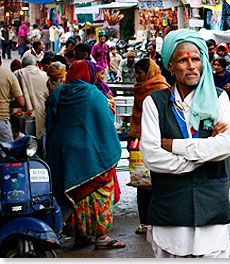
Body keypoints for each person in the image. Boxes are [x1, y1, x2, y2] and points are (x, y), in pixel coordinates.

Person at [139, 29, 230, 258]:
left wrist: (174, 146)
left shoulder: (218, 98)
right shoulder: (155, 103)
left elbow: (227, 145)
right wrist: (201, 158)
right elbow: (152, 156)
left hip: (211, 208)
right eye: (183, 60)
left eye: (196, 59)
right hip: (170, 211)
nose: (191, 65)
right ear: (171, 67)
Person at [46, 60, 125, 250]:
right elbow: (105, 122)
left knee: (74, 192)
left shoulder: (58, 92)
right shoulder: (94, 94)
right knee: (98, 193)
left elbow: (50, 122)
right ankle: (101, 237)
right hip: (92, 153)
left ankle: (80, 236)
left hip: (67, 153)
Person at [128, 58, 170, 235]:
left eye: (140, 73)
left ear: (149, 72)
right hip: (139, 139)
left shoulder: (161, 87)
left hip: (158, 140)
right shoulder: (140, 87)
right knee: (143, 183)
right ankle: (145, 221)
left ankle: (160, 220)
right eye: (136, 73)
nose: (137, 77)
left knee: (159, 182)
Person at [13, 54, 49, 141]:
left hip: (21, 117)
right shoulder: (45, 76)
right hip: (41, 115)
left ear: (22, 65)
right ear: (35, 64)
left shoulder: (16, 75)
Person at [0, 56, 25, 143]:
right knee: (8, 152)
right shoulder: (9, 75)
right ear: (1, 63)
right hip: (2, 119)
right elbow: (21, 102)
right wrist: (6, 103)